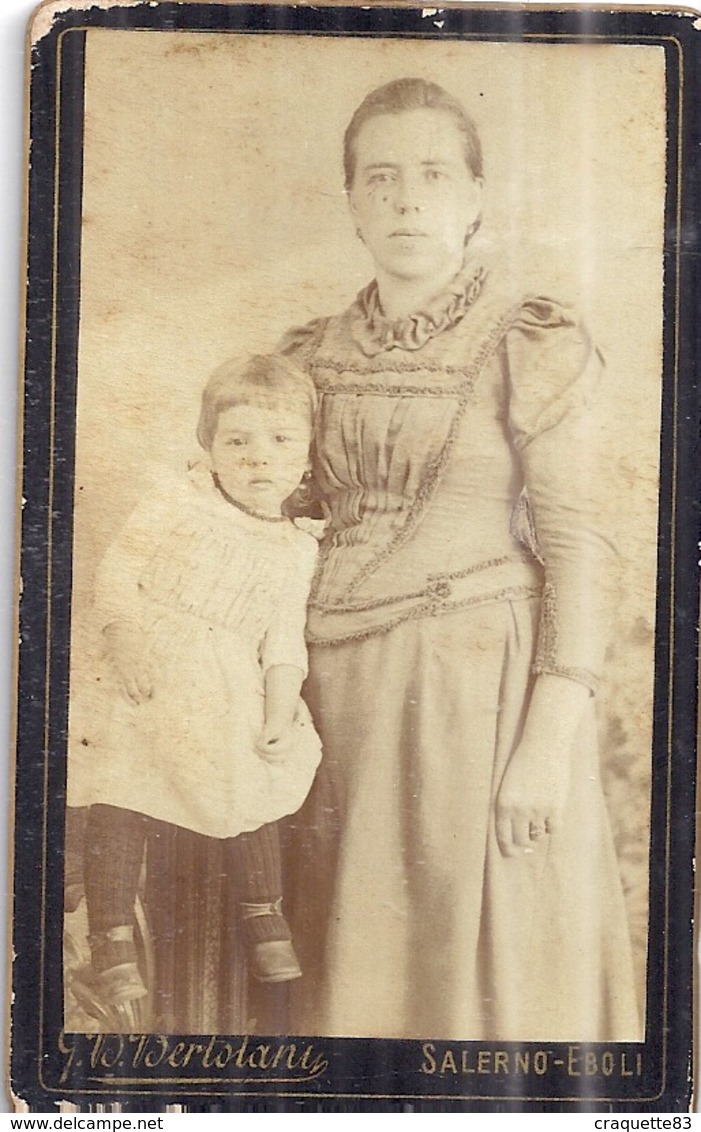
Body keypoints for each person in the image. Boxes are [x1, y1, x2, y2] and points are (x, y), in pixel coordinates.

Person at [280, 77, 641, 1041]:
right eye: (382, 178)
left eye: (434, 175)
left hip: (475, 707)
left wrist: (544, 746)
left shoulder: (531, 340)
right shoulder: (305, 357)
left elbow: (580, 549)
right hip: (329, 714)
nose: (407, 199)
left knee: (477, 1003)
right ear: (352, 202)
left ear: (475, 197)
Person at [67, 354, 322, 1029]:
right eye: (236, 441)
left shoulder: (296, 548)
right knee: (122, 784)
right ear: (208, 446)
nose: (256, 459)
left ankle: (261, 910)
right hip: (148, 664)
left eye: (278, 442)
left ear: (306, 457)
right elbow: (119, 569)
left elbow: (282, 640)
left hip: (227, 679)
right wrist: (124, 642)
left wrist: (277, 709)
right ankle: (111, 933)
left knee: (258, 770)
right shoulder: (178, 498)